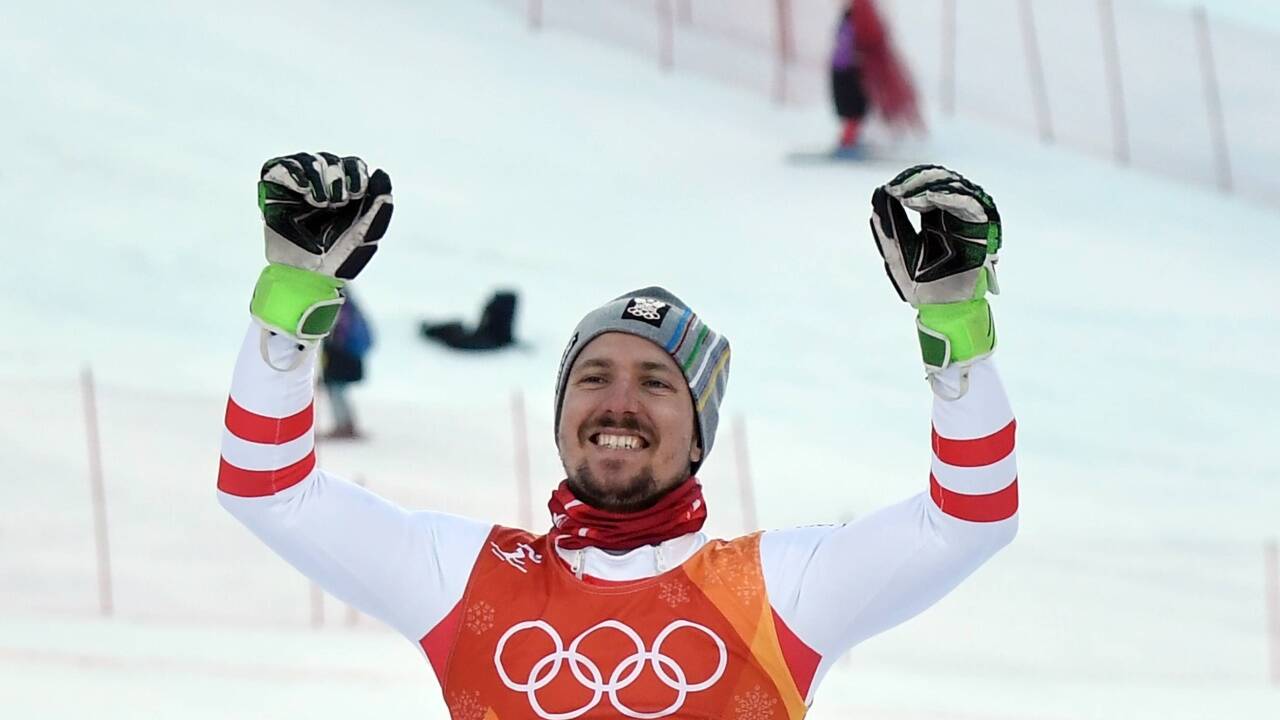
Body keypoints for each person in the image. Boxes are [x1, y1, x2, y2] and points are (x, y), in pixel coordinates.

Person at [220, 153, 1016, 718]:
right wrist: (291, 306)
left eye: (659, 383)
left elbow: (971, 517)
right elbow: (269, 489)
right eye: (593, 376)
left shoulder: (781, 589)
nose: (619, 403)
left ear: (701, 435)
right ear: (562, 411)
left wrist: (955, 330)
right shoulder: (466, 580)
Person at [830, 0, 924, 155]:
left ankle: (850, 141)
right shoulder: (855, 19)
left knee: (856, 111)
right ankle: (847, 144)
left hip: (850, 72)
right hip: (847, 72)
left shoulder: (855, 18)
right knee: (853, 111)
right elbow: (847, 48)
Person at [319, 289, 372, 439]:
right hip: (346, 356)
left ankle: (343, 425)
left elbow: (333, 334)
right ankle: (347, 424)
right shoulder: (350, 306)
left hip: (339, 357)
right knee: (339, 390)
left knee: (336, 390)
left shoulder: (338, 307)